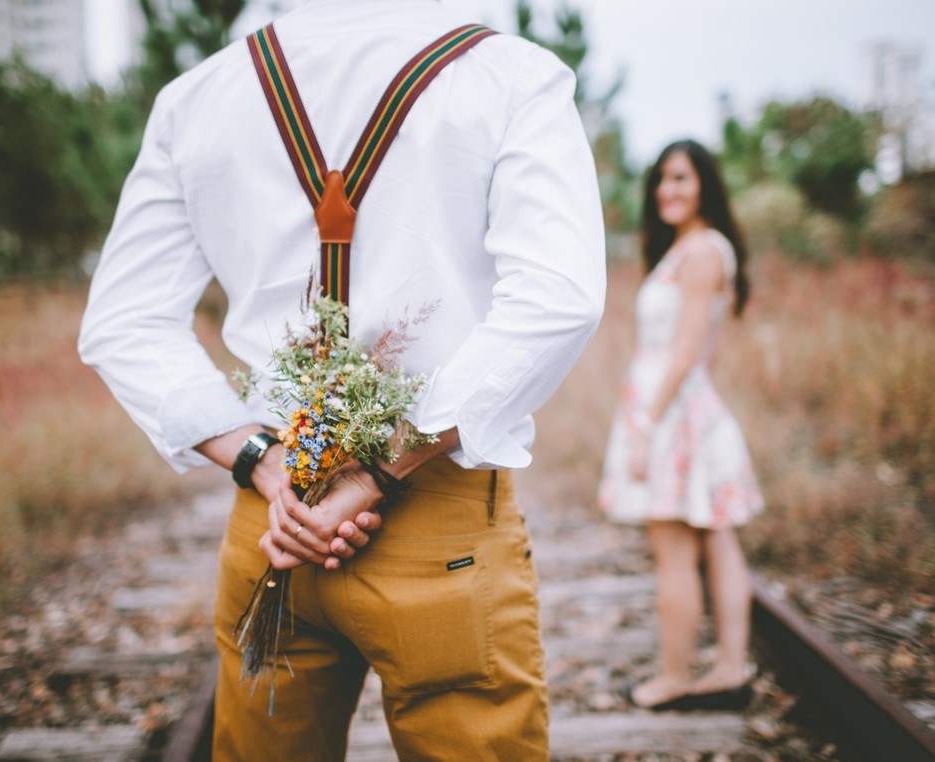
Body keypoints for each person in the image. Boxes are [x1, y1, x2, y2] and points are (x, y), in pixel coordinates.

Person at [78, 0, 605, 758]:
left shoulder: (197, 96)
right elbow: (559, 297)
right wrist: (378, 469)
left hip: (275, 525)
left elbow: (123, 320)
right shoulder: (508, 74)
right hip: (436, 521)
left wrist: (262, 461)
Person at [597, 139, 764, 711]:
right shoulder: (694, 248)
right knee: (717, 538)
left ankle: (675, 677)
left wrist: (646, 423)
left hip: (669, 413)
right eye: (661, 181)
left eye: (680, 178)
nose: (667, 190)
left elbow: (689, 347)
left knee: (675, 550)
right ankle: (728, 668)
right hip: (682, 406)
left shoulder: (700, 253)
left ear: (705, 185)